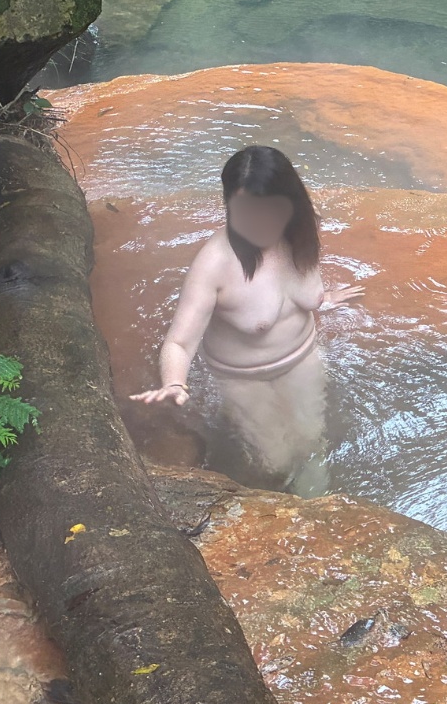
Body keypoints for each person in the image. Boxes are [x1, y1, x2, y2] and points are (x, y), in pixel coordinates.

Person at [128, 145, 362, 493]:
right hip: (244, 378)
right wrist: (174, 383)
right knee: (277, 459)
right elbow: (179, 342)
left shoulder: (301, 235)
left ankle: (318, 514)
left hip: (302, 359)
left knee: (312, 444)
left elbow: (296, 294)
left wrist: (323, 299)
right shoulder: (215, 264)